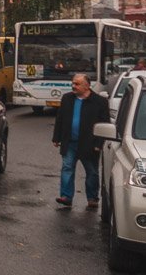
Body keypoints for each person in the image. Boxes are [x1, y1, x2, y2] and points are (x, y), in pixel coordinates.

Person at [52, 73, 109, 210]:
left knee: (92, 172)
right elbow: (60, 119)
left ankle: (92, 198)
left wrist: (99, 144)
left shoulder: (99, 102)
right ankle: (66, 197)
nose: (73, 86)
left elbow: (104, 123)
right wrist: (57, 137)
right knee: (67, 168)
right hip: (70, 142)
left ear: (87, 86)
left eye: (77, 84)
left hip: (89, 145)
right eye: (73, 83)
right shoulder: (67, 99)